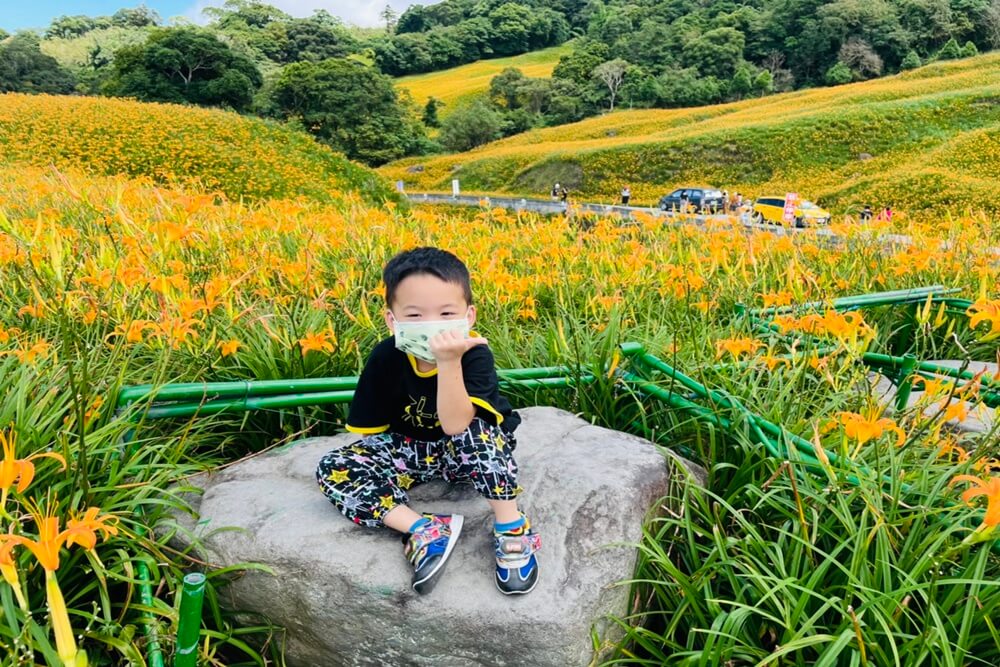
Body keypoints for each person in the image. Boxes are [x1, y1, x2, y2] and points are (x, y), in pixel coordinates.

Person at [316, 247, 540, 596]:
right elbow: (369, 432)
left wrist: (448, 362)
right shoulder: (387, 356)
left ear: (468, 316)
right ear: (392, 320)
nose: (430, 325)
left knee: (478, 434)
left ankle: (511, 525)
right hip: (412, 453)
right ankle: (424, 529)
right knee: (335, 465)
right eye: (415, 315)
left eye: (446, 313)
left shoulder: (474, 353)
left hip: (468, 452)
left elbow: (456, 425)